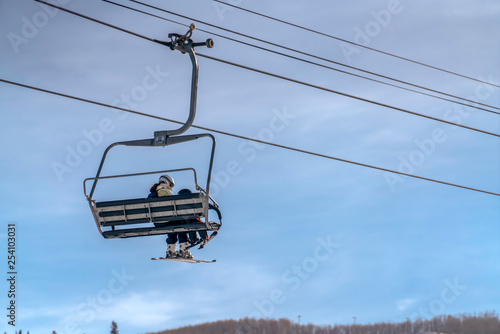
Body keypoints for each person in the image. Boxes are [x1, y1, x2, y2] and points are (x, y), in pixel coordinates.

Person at [148, 175, 193, 259]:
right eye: (171, 185)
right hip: (166, 219)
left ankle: (171, 251)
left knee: (172, 227)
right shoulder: (165, 191)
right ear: (167, 182)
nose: (170, 187)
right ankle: (183, 249)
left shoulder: (152, 194)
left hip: (157, 223)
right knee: (181, 222)